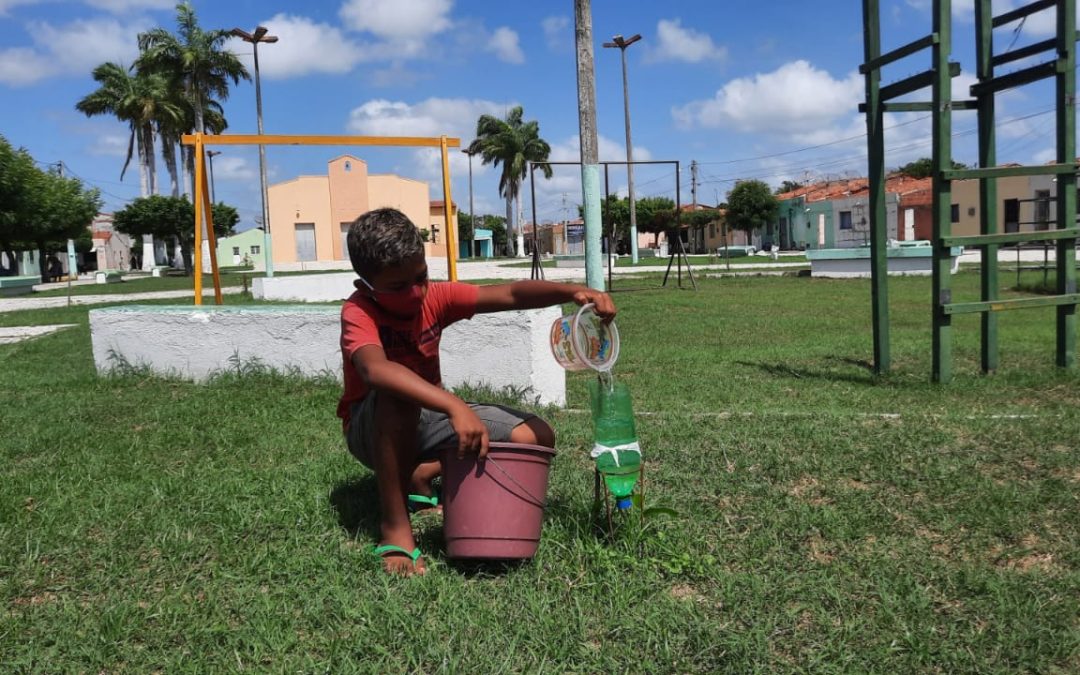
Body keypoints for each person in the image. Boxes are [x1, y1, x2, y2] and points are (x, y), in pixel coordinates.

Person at [340, 208, 616, 575]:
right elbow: (375, 370)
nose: (415, 293)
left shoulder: (434, 298)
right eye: (397, 287)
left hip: (428, 417)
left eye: (421, 277)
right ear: (367, 287)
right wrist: (455, 405)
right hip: (372, 428)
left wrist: (573, 291)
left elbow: (512, 294)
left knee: (535, 436)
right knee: (398, 393)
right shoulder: (359, 311)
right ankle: (395, 527)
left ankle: (421, 473)